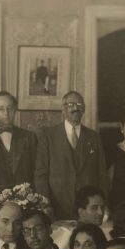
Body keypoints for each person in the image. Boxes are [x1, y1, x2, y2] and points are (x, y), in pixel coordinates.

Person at [41, 91, 108, 220]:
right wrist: (45, 204)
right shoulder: (47, 136)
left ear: (84, 109)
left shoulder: (94, 137)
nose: (75, 108)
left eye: (79, 104)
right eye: (71, 104)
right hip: (57, 206)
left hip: (88, 209)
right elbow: (41, 174)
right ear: (63, 109)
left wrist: (103, 206)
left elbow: (102, 175)